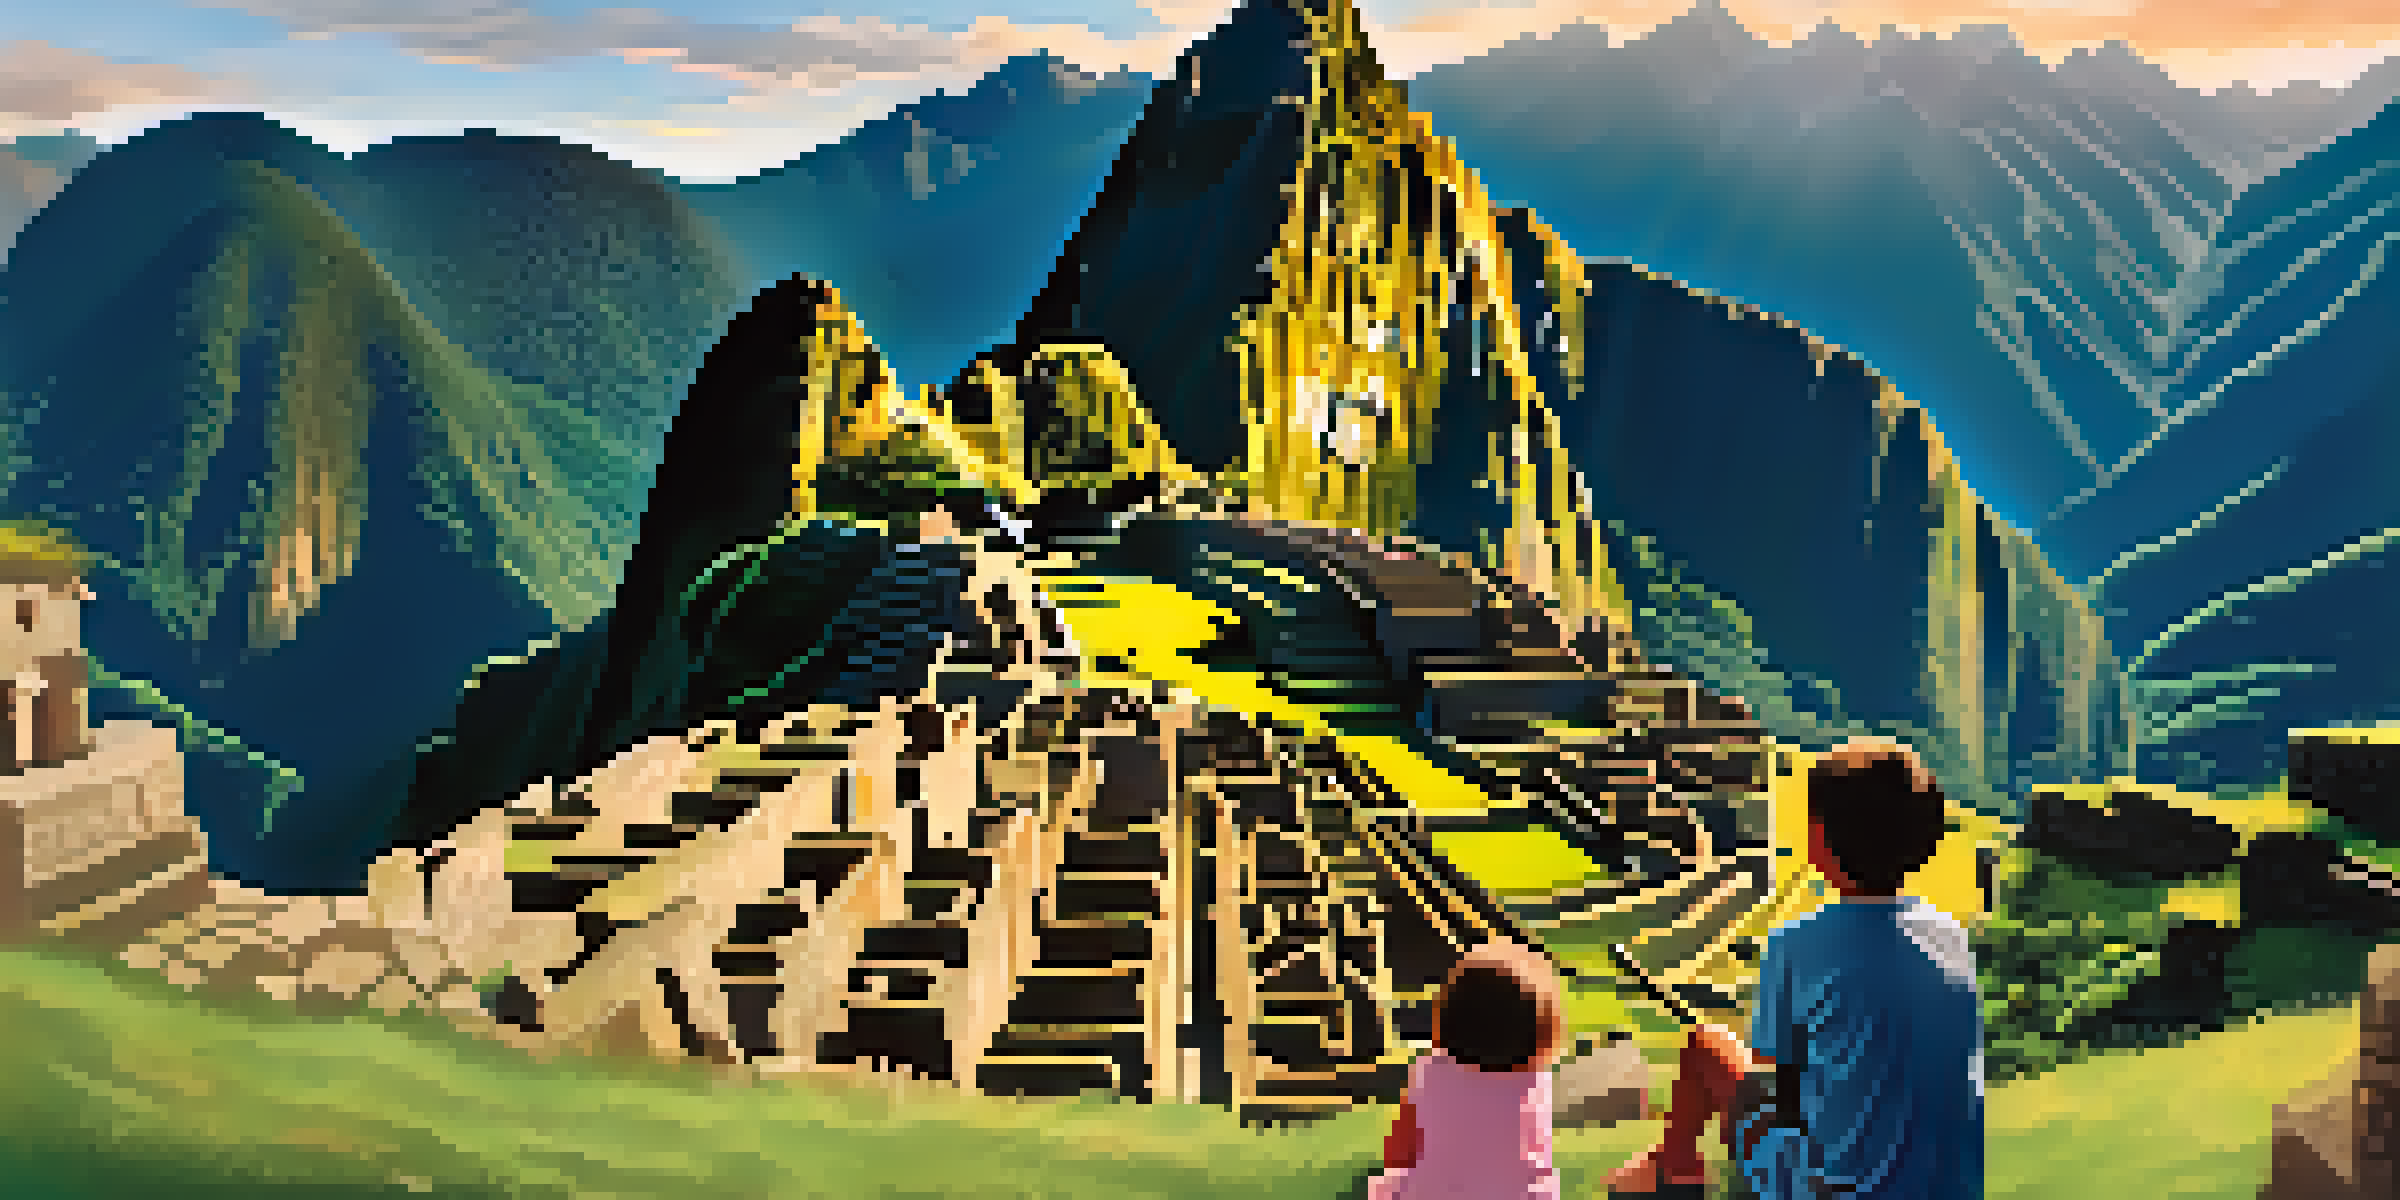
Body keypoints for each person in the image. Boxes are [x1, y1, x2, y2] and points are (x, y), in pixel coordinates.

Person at [1606, 738, 1984, 1197]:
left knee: (1707, 1047)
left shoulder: (1798, 942)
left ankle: (1675, 1172)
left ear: (1819, 838)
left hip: (1826, 1190)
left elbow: (1777, 1085)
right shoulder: (1950, 937)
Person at [1371, 938, 1569, 1199]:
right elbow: (1537, 1155)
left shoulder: (1428, 1071)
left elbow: (1398, 1152)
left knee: (1389, 1184)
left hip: (1432, 1194)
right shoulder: (1536, 1079)